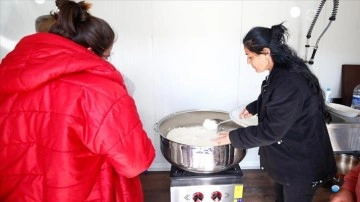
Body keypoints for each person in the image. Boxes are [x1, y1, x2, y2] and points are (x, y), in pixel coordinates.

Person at [0, 0, 155, 201]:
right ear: (90, 52)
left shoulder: (6, 76)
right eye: (107, 56)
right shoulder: (102, 92)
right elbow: (135, 161)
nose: (107, 62)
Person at [213, 23, 337, 202]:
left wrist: (233, 137)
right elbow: (275, 100)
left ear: (265, 52)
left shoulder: (289, 81)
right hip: (289, 160)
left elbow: (272, 131)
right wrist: (254, 107)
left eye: (250, 56)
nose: (248, 62)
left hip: (302, 164)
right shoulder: (280, 72)